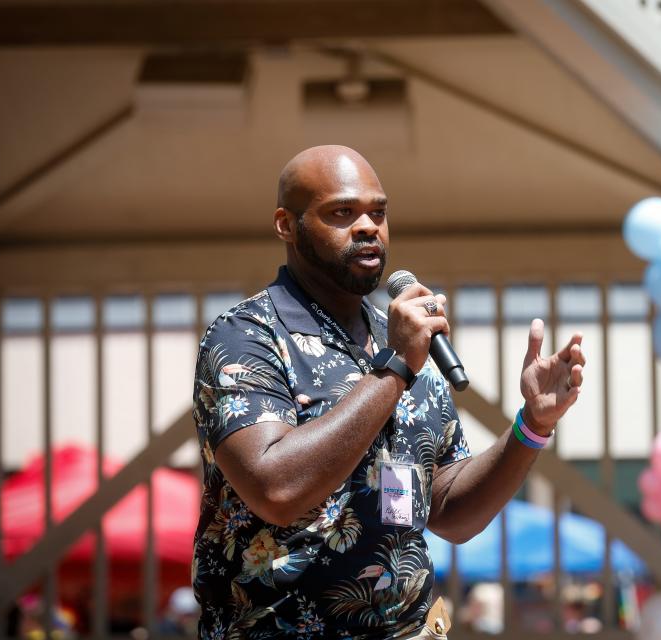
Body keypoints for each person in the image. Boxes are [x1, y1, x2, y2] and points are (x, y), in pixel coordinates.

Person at [191, 145, 586, 639]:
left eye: (378, 213)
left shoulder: (401, 339)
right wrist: (395, 369)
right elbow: (276, 489)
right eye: (342, 212)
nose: (367, 227)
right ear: (286, 225)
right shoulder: (247, 336)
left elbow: (449, 513)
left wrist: (532, 425)